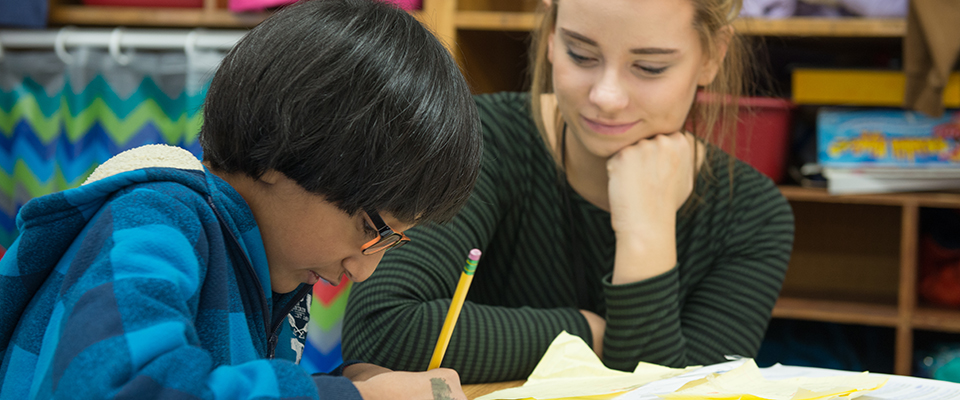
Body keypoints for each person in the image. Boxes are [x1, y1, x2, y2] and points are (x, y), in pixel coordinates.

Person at [0, 0, 482, 399]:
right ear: (283, 148)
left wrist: (345, 384)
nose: (363, 270)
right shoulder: (153, 219)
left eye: (391, 242)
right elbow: (118, 387)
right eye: (371, 229)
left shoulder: (267, 259)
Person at [343, 0, 795, 384]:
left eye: (650, 67)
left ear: (712, 56)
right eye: (581, 55)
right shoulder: (477, 141)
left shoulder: (753, 214)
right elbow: (383, 330)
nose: (607, 95)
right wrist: (589, 333)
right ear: (552, 33)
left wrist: (646, 230)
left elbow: (681, 393)